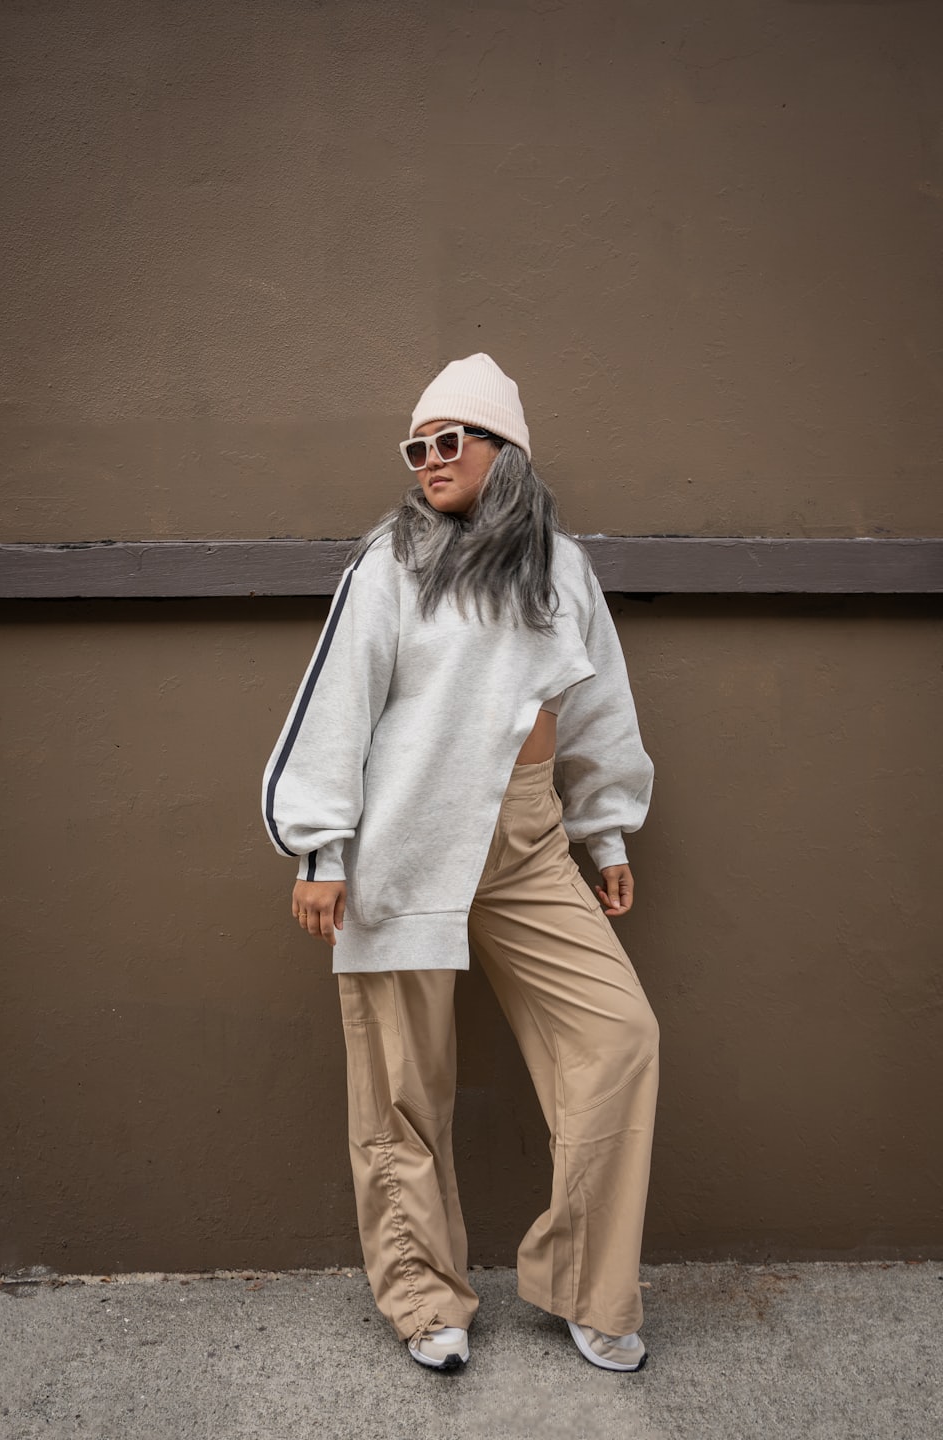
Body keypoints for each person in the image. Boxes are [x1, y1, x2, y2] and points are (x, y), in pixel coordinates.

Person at [262, 354, 659, 1374]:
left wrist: (606, 831)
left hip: (528, 843)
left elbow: (597, 702)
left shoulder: (561, 568)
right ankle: (425, 1297)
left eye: (449, 441)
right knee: (401, 1087)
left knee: (617, 1037)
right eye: (416, 448)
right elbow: (335, 706)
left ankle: (587, 1283)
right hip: (409, 838)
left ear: (504, 450)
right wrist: (319, 848)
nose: (428, 461)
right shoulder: (391, 563)